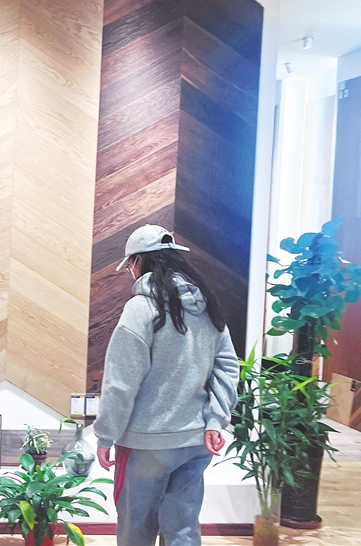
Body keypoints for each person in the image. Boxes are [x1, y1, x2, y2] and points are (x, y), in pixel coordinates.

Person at [94, 224, 239, 546]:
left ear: (137, 262)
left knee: (136, 529)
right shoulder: (207, 306)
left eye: (130, 266)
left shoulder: (141, 308)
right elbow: (227, 367)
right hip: (195, 440)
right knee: (183, 529)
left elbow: (121, 382)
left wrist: (105, 435)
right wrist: (216, 420)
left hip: (146, 442)